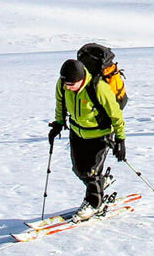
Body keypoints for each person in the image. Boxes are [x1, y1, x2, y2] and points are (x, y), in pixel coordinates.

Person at [49, 57, 127, 221]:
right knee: (78, 169)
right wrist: (58, 123)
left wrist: (120, 139)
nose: (67, 88)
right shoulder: (63, 85)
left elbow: (116, 114)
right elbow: (60, 103)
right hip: (78, 132)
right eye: (65, 84)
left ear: (81, 80)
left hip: (100, 135)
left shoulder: (98, 88)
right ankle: (100, 183)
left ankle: (94, 203)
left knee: (90, 172)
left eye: (71, 85)